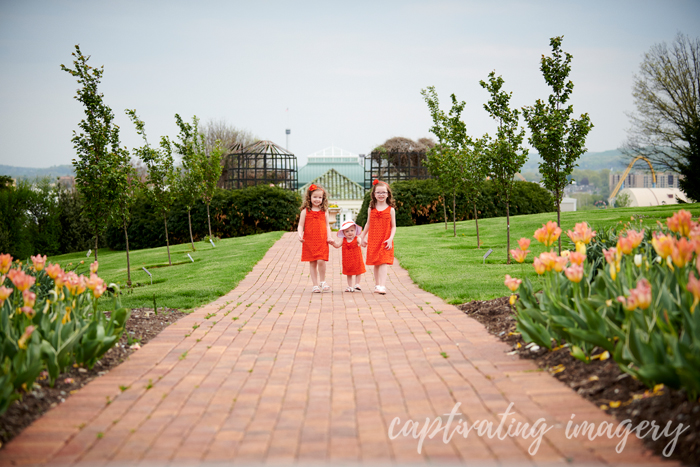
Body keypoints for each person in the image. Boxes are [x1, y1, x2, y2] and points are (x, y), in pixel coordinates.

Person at [360, 179, 396, 294]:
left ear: (388, 194)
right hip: (374, 239)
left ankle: (382, 286)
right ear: (374, 194)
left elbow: (394, 226)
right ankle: (377, 285)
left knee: (384, 261)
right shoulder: (371, 208)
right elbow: (368, 223)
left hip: (385, 239)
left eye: (383, 192)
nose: (381, 195)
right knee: (376, 262)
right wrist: (362, 236)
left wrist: (391, 238)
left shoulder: (391, 210)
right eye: (378, 192)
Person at [297, 183, 333, 293]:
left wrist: (329, 236)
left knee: (321, 260)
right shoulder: (305, 211)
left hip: (322, 239)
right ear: (310, 197)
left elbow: (327, 225)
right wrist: (299, 234)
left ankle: (322, 281)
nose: (317, 199)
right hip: (310, 240)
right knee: (312, 262)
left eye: (320, 197)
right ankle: (315, 285)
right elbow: (300, 225)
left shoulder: (324, 211)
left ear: (323, 198)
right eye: (315, 197)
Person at [331, 220, 366, 292]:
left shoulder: (357, 238)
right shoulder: (343, 240)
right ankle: (350, 286)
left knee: (358, 271)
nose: (350, 232)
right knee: (349, 274)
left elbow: (360, 242)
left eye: (352, 230)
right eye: (347, 231)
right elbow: (337, 245)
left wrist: (362, 242)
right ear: (343, 233)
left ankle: (357, 284)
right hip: (347, 260)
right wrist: (333, 243)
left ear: (355, 231)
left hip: (357, 259)